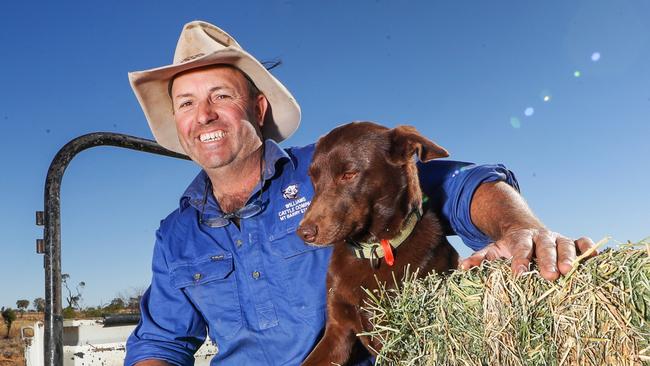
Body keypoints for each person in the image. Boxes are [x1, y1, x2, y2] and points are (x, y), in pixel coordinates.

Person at [124, 21, 596, 365]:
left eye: (220, 96)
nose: (203, 114)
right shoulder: (176, 234)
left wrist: (520, 229)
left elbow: (455, 184)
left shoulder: (329, 165)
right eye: (186, 103)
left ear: (258, 107)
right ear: (180, 123)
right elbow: (161, 344)